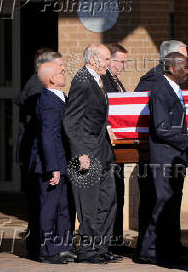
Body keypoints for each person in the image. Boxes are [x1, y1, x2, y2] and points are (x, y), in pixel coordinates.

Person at [63, 43, 123, 264]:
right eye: (106, 59)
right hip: (87, 153)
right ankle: (89, 251)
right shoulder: (82, 81)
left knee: (108, 200)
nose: (109, 64)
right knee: (89, 205)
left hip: (103, 152)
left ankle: (101, 248)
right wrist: (81, 153)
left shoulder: (99, 80)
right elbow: (71, 120)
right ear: (92, 60)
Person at [137, 52, 188, 264]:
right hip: (164, 157)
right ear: (170, 68)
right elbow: (161, 129)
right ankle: (148, 251)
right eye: (184, 67)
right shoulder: (161, 89)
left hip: (174, 156)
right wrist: (187, 141)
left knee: (171, 205)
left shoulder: (173, 88)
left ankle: (168, 249)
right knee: (161, 204)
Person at [15, 49, 64, 258]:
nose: (64, 70)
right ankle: (41, 247)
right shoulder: (38, 89)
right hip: (39, 156)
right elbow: (46, 131)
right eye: (60, 66)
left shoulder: (43, 89)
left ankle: (41, 245)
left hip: (43, 154)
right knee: (42, 205)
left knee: (45, 205)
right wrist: (51, 164)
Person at [28, 61, 76, 264]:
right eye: (61, 72)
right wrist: (53, 168)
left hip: (62, 162)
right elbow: (48, 136)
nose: (65, 74)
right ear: (51, 79)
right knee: (49, 209)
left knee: (63, 207)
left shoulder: (61, 97)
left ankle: (63, 246)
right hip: (51, 165)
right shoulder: (48, 101)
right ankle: (48, 251)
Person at [100, 43, 129, 253]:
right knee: (109, 196)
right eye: (119, 61)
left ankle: (116, 240)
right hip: (108, 148)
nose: (123, 66)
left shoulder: (116, 82)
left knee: (118, 192)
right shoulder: (103, 81)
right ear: (108, 60)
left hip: (120, 150)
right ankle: (109, 241)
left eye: (124, 62)